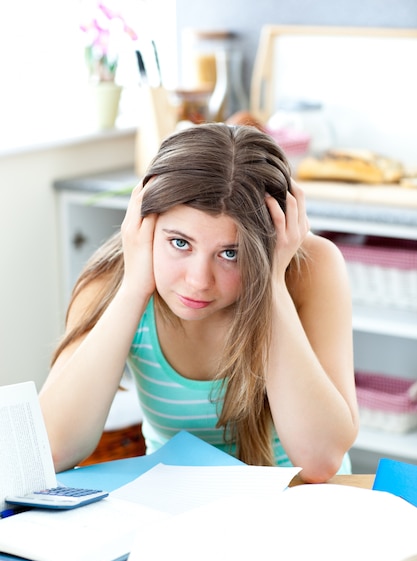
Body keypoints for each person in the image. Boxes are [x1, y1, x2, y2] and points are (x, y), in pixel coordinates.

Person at [40, 122, 358, 482]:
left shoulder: (311, 269)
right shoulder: (111, 281)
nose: (198, 281)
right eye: (179, 243)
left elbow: (321, 461)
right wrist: (133, 289)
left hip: (294, 508)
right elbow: (51, 448)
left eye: (229, 253)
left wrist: (270, 283)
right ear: (142, 223)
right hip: (172, 509)